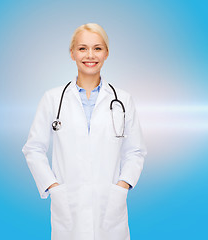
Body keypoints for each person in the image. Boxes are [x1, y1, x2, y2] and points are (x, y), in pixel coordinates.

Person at [22, 23, 147, 240]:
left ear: (107, 53)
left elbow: (135, 151)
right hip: (68, 208)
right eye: (82, 48)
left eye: (97, 48)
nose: (90, 55)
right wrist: (53, 187)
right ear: (72, 53)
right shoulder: (53, 99)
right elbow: (33, 149)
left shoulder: (123, 100)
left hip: (110, 207)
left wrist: (121, 187)